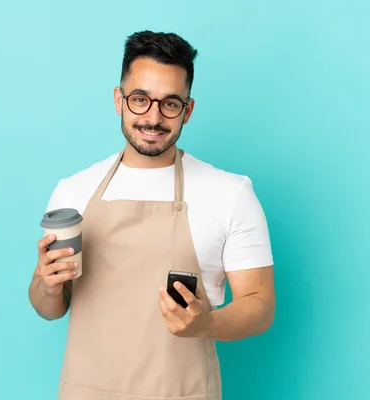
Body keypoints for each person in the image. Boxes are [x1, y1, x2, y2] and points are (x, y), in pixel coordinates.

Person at [28, 30, 275, 400]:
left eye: (170, 103)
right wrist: (46, 285)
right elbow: (50, 307)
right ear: (119, 100)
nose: (153, 117)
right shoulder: (73, 192)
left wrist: (206, 323)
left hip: (181, 392)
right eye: (140, 99)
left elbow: (259, 305)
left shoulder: (230, 193)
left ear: (187, 110)